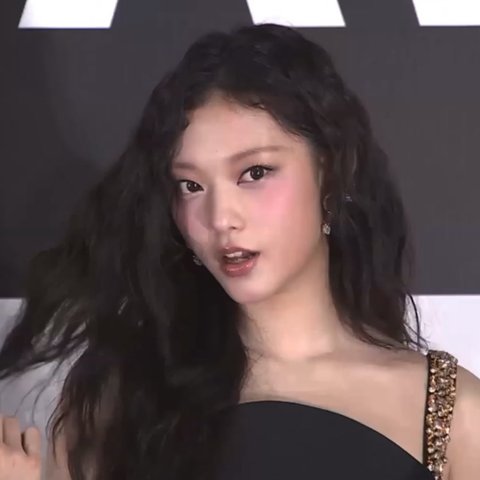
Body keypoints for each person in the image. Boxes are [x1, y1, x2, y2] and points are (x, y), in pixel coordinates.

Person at [0, 22, 479, 480]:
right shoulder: (121, 399)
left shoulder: (451, 411)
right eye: (190, 185)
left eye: (254, 173)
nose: (220, 218)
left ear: (332, 175)